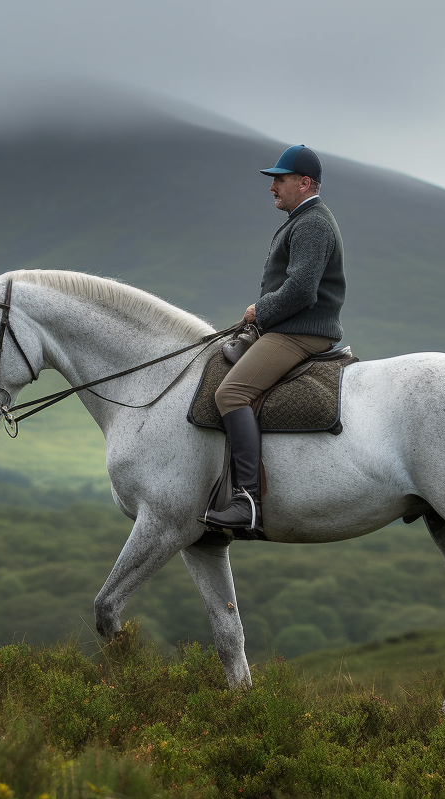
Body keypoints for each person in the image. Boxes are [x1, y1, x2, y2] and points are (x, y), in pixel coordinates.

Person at [200, 145, 346, 533]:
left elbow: (301, 290)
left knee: (230, 394)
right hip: (287, 329)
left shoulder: (312, 222)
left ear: (304, 183)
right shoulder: (303, 219)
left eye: (279, 180)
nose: (272, 187)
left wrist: (258, 312)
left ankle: (246, 500)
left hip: (300, 335)